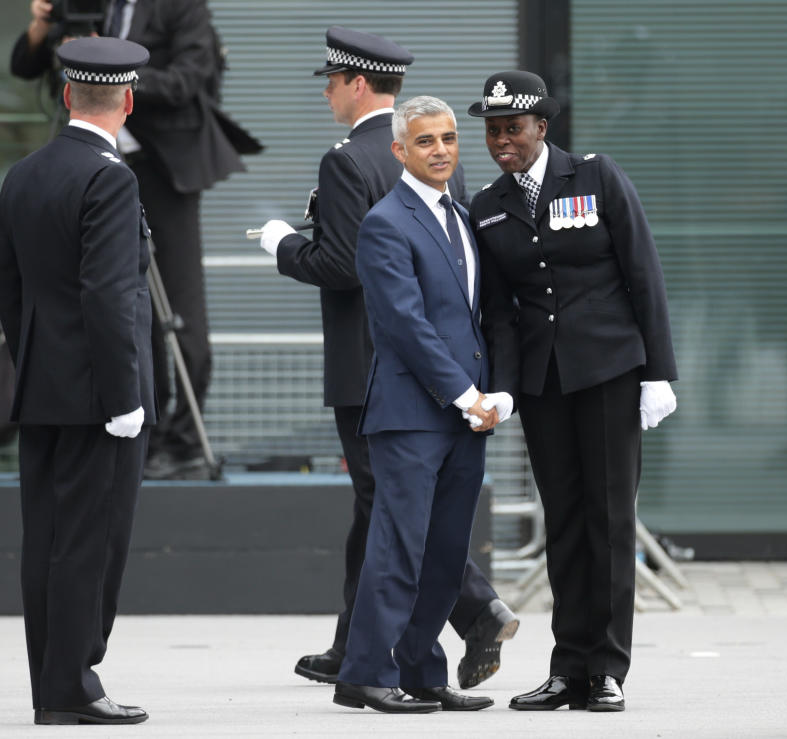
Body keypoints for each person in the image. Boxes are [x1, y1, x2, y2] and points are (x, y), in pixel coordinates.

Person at [256, 26, 517, 690]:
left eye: (332, 82)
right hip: (430, 377)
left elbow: (344, 265)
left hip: (381, 372)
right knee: (390, 516)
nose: (328, 94)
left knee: (395, 520)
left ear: (358, 84)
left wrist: (283, 245)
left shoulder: (350, 160)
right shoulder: (436, 180)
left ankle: (434, 631)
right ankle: (375, 655)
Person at [468, 70, 678, 713]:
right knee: (563, 524)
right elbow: (499, 313)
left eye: (515, 128)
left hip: (610, 371)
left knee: (609, 521)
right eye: (493, 130)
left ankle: (608, 667)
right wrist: (502, 389)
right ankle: (568, 668)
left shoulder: (594, 176)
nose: (503, 140)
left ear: (542, 126)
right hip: (543, 383)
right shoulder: (488, 205)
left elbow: (643, 270)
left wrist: (659, 371)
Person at [10, 0, 262, 480]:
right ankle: (148, 426)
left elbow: (188, 79)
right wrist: (44, 25)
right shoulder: (87, 5)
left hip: (164, 171)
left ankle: (186, 442)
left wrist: (102, 78)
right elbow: (23, 65)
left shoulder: (181, 8)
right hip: (97, 167)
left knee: (180, 307)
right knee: (126, 304)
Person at [331, 95, 510, 714]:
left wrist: (492, 395)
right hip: (412, 414)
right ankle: (362, 674)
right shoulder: (386, 221)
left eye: (449, 139)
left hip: (465, 417)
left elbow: (473, 319)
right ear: (399, 150)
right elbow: (405, 325)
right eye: (426, 141)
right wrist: (466, 395)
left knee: (444, 549)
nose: (440, 150)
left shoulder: (460, 215)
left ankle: (423, 670)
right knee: (397, 547)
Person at [0, 36, 156, 725]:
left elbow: (10, 290)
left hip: (40, 384)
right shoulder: (110, 177)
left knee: (48, 539)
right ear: (125, 99)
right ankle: (73, 684)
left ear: (67, 95)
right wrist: (125, 399)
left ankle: (54, 682)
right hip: (99, 393)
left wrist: (33, 361)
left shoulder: (23, 172)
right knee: (92, 542)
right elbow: (108, 296)